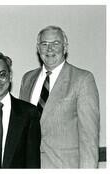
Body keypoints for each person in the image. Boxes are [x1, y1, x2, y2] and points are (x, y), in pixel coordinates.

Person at [19, 25, 100, 168]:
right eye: (44, 44)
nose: (49, 49)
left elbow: (89, 140)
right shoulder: (27, 79)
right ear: (38, 49)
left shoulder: (82, 79)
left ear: (65, 47)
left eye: (56, 43)